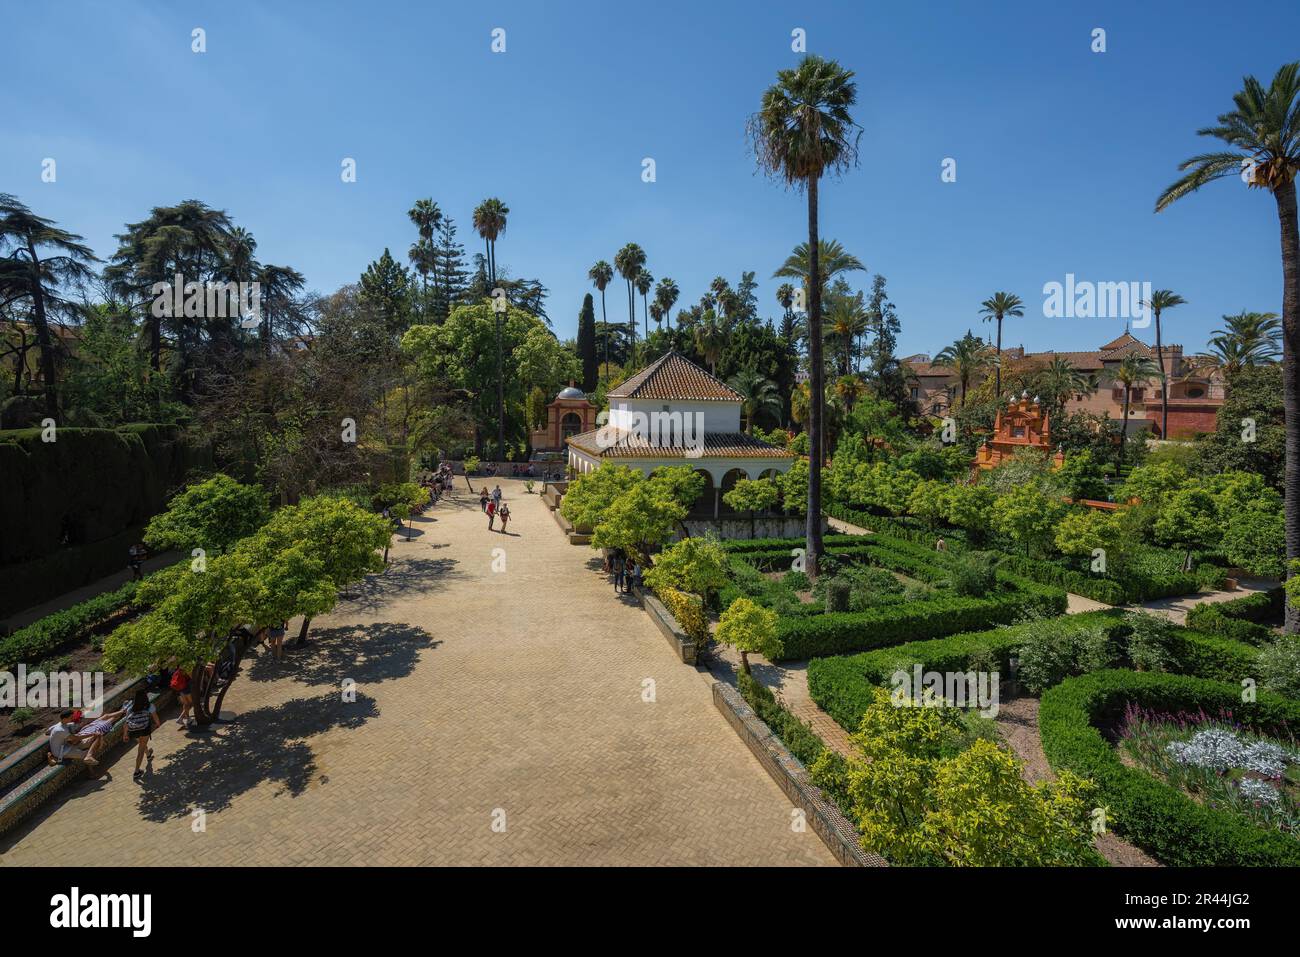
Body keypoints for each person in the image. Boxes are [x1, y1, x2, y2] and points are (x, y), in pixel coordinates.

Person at [124, 688, 160, 781]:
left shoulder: (131, 707)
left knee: (142, 744)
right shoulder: (149, 706)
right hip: (144, 730)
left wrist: (125, 734)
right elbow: (156, 720)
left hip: (133, 731)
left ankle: (148, 755)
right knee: (140, 750)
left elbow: (126, 722)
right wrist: (156, 725)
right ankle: (136, 772)